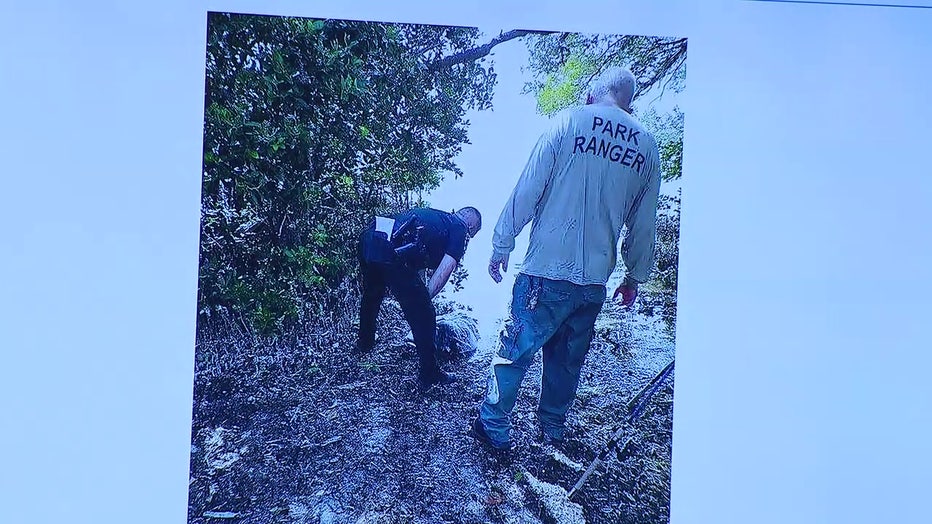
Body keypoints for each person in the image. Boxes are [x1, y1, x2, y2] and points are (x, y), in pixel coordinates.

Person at [470, 66, 663, 451]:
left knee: (515, 350)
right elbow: (644, 224)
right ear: (629, 103)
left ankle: (493, 426)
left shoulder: (568, 121)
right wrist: (634, 276)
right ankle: (551, 430)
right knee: (566, 362)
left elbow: (529, 187)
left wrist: (501, 242)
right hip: (592, 282)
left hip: (545, 271)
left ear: (592, 95)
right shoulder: (647, 146)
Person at [356, 206, 482, 391]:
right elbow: (445, 269)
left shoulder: (435, 216)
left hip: (370, 237)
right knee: (425, 315)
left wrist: (417, 293)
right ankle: (429, 374)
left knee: (372, 294)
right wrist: (425, 301)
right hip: (392, 249)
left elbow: (416, 257)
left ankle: (364, 344)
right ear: (471, 225)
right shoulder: (460, 229)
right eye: (472, 235)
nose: (468, 240)